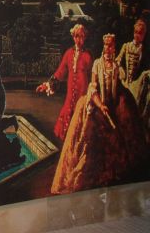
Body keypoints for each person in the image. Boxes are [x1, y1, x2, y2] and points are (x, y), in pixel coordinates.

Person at [51, 34, 147, 194]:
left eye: (111, 46)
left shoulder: (116, 67)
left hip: (112, 106)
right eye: (106, 46)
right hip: (97, 104)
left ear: (114, 48)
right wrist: (100, 105)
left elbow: (118, 87)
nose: (108, 49)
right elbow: (93, 87)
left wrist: (117, 103)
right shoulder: (97, 64)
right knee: (88, 137)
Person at [36, 24, 92, 141]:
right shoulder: (68, 53)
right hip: (70, 95)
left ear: (85, 38)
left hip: (83, 95)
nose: (79, 40)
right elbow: (60, 72)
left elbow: (92, 78)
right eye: (76, 36)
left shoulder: (88, 56)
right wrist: (46, 85)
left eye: (81, 37)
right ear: (73, 37)